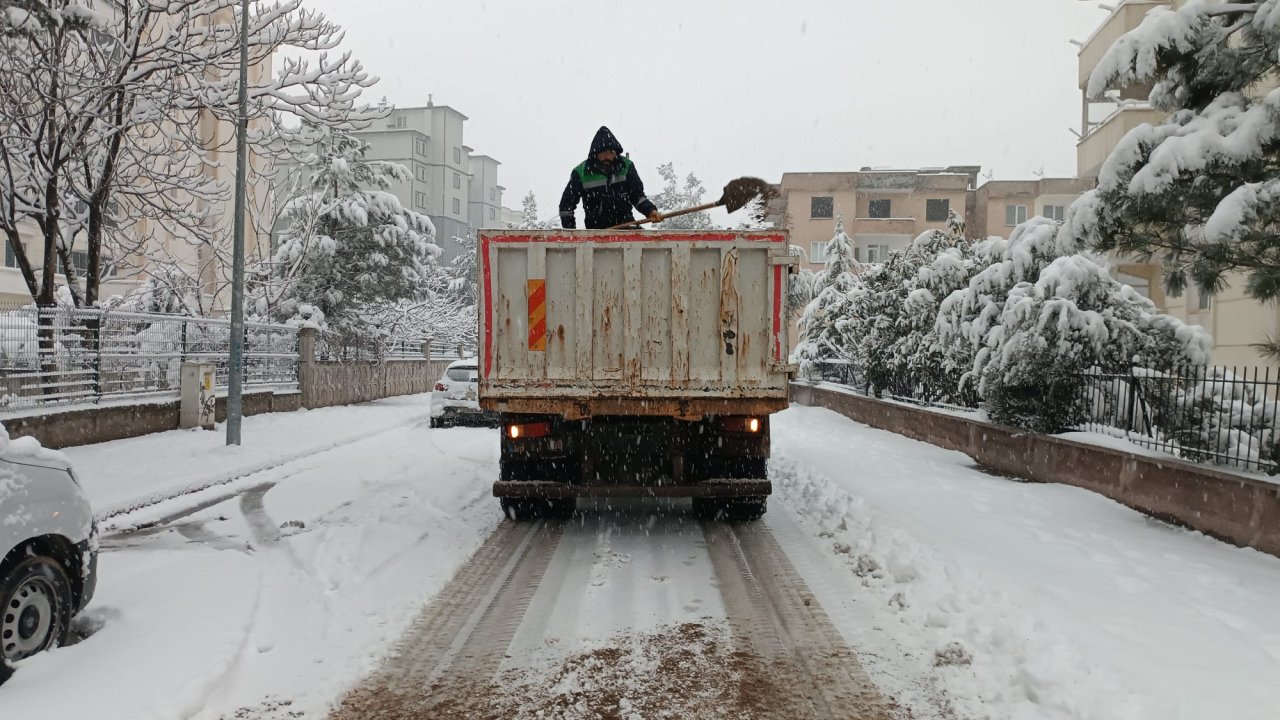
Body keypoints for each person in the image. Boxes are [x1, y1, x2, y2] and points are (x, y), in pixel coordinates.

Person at [559, 126, 663, 229]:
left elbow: (637, 196)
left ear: (615, 152)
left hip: (626, 229)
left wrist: (650, 211)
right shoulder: (581, 173)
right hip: (596, 234)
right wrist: (571, 234)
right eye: (603, 152)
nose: (607, 156)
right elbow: (566, 206)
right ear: (595, 153)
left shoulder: (626, 167)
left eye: (610, 152)